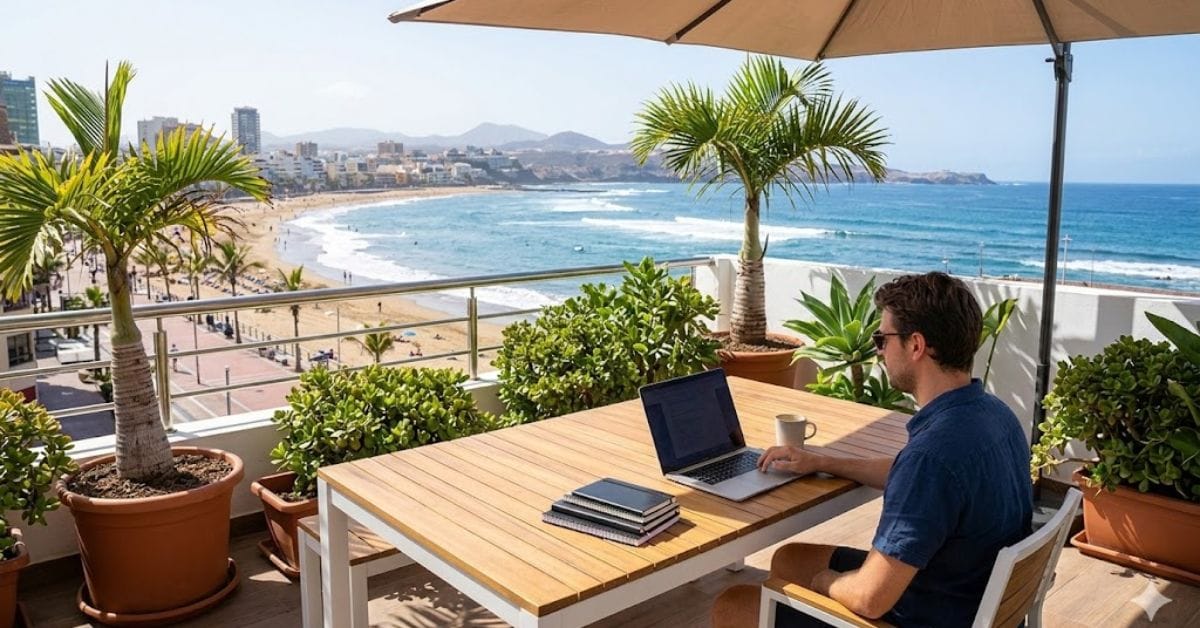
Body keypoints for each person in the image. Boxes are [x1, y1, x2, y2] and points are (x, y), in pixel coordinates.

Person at [712, 272, 1032, 628]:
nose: (878, 351)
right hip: (958, 593)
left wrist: (825, 583)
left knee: (734, 604)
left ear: (916, 346)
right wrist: (823, 461)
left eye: (882, 339)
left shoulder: (932, 458)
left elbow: (869, 599)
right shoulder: (995, 417)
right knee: (790, 560)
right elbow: (916, 476)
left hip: (920, 612)